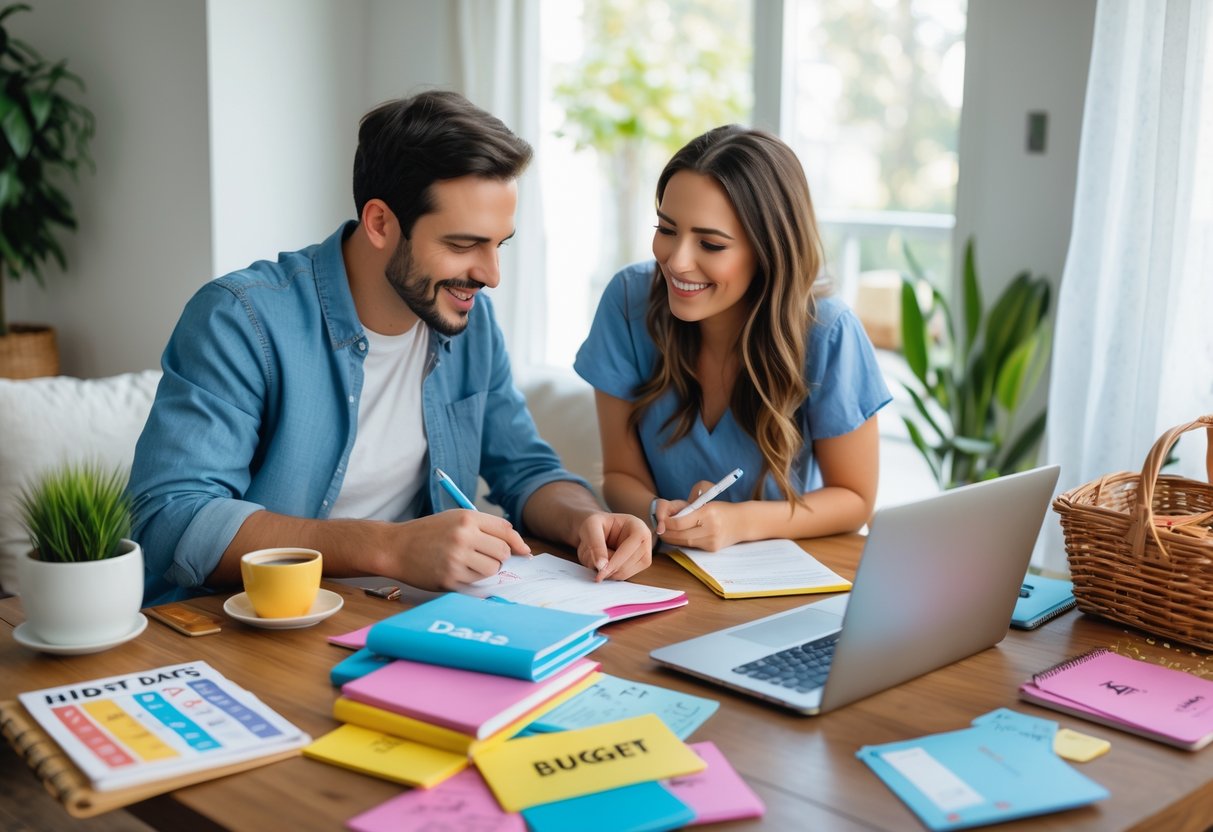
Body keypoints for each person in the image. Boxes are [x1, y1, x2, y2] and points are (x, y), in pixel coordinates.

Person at [129, 90, 651, 605]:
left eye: (499, 245)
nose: (491, 276)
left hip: (400, 615)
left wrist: (586, 518)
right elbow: (171, 518)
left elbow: (526, 470)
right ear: (381, 222)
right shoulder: (240, 319)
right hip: (247, 629)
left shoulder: (469, 319)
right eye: (463, 244)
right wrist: (388, 547)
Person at [574, 125, 891, 552]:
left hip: (786, 579)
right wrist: (657, 511)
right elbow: (619, 477)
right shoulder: (628, 302)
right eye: (667, 230)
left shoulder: (828, 332)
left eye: (710, 244)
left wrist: (738, 522)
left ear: (768, 251)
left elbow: (854, 501)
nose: (677, 261)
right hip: (667, 573)